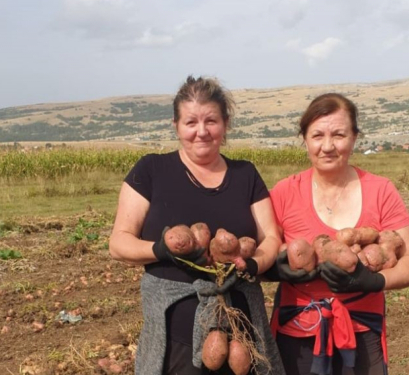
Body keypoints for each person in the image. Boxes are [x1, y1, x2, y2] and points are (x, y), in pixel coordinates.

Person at [109, 75, 285, 375]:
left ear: (225, 124)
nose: (202, 132)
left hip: (241, 336)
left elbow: (271, 237)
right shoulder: (151, 170)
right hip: (173, 339)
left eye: (211, 121)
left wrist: (254, 265)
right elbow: (119, 243)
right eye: (191, 122)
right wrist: (161, 249)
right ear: (176, 125)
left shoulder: (246, 174)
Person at [267, 93, 409, 375]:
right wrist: (274, 270)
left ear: (354, 138)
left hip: (361, 333)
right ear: (304, 139)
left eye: (339, 135)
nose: (327, 146)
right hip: (297, 335)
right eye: (317, 135)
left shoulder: (380, 190)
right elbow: (256, 256)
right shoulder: (284, 192)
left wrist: (374, 280)